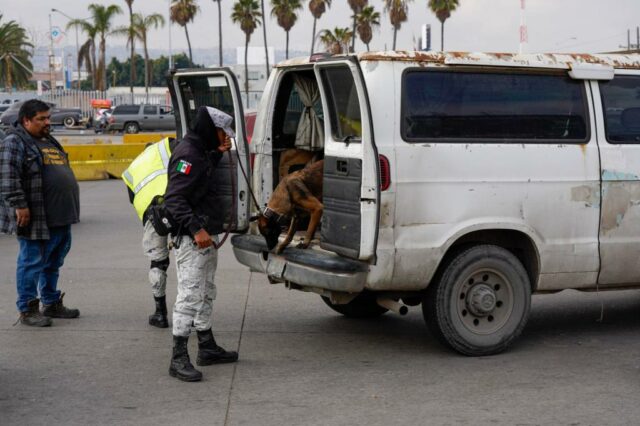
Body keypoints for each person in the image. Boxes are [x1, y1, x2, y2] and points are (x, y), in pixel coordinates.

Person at [164, 106, 238, 382]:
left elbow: (200, 182)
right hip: (192, 239)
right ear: (210, 128)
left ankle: (206, 346)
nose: (224, 137)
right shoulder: (188, 154)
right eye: (221, 132)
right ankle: (178, 357)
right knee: (190, 295)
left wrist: (217, 155)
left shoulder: (201, 152)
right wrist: (196, 229)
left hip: (206, 236)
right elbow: (175, 198)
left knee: (206, 291)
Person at [0, 99, 80, 326]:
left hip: (60, 215)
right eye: (41, 119)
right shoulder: (15, 141)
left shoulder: (47, 139)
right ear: (25, 120)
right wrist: (19, 205)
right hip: (36, 217)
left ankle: (51, 303)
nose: (48, 122)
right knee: (31, 262)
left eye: (48, 117)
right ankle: (27, 309)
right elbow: (7, 178)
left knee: (53, 262)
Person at [122, 137, 178, 328]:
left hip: (153, 214)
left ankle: (160, 314)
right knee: (188, 260)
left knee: (158, 263)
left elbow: (133, 199)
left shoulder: (134, 166)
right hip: (180, 206)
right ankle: (191, 313)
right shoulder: (169, 149)